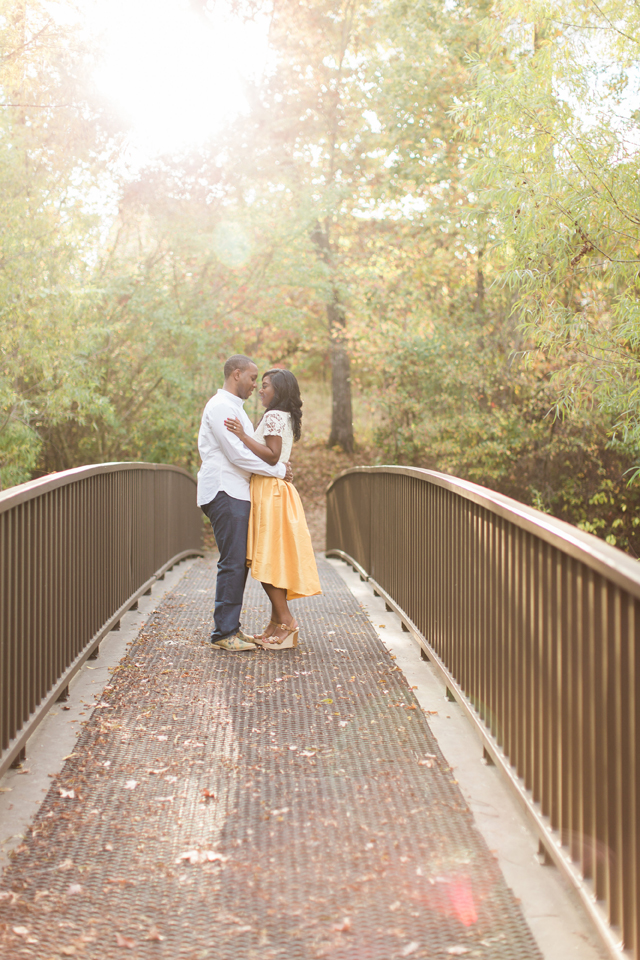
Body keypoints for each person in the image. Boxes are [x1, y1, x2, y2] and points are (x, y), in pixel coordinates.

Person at [197, 355, 293, 652]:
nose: (255, 385)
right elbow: (236, 456)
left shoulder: (233, 408)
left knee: (237, 562)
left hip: (236, 490)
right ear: (236, 374)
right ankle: (224, 633)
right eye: (252, 379)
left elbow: (247, 451)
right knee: (232, 563)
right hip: (225, 489)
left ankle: (230, 630)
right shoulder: (221, 407)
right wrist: (279, 470)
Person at [224, 368, 321, 649]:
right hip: (273, 490)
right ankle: (275, 623)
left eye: (265, 385)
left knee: (267, 559)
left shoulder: (275, 416)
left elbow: (273, 455)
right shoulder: (282, 416)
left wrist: (242, 435)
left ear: (279, 391)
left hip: (270, 493)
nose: (261, 389)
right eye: (260, 384)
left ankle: (287, 622)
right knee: (269, 559)